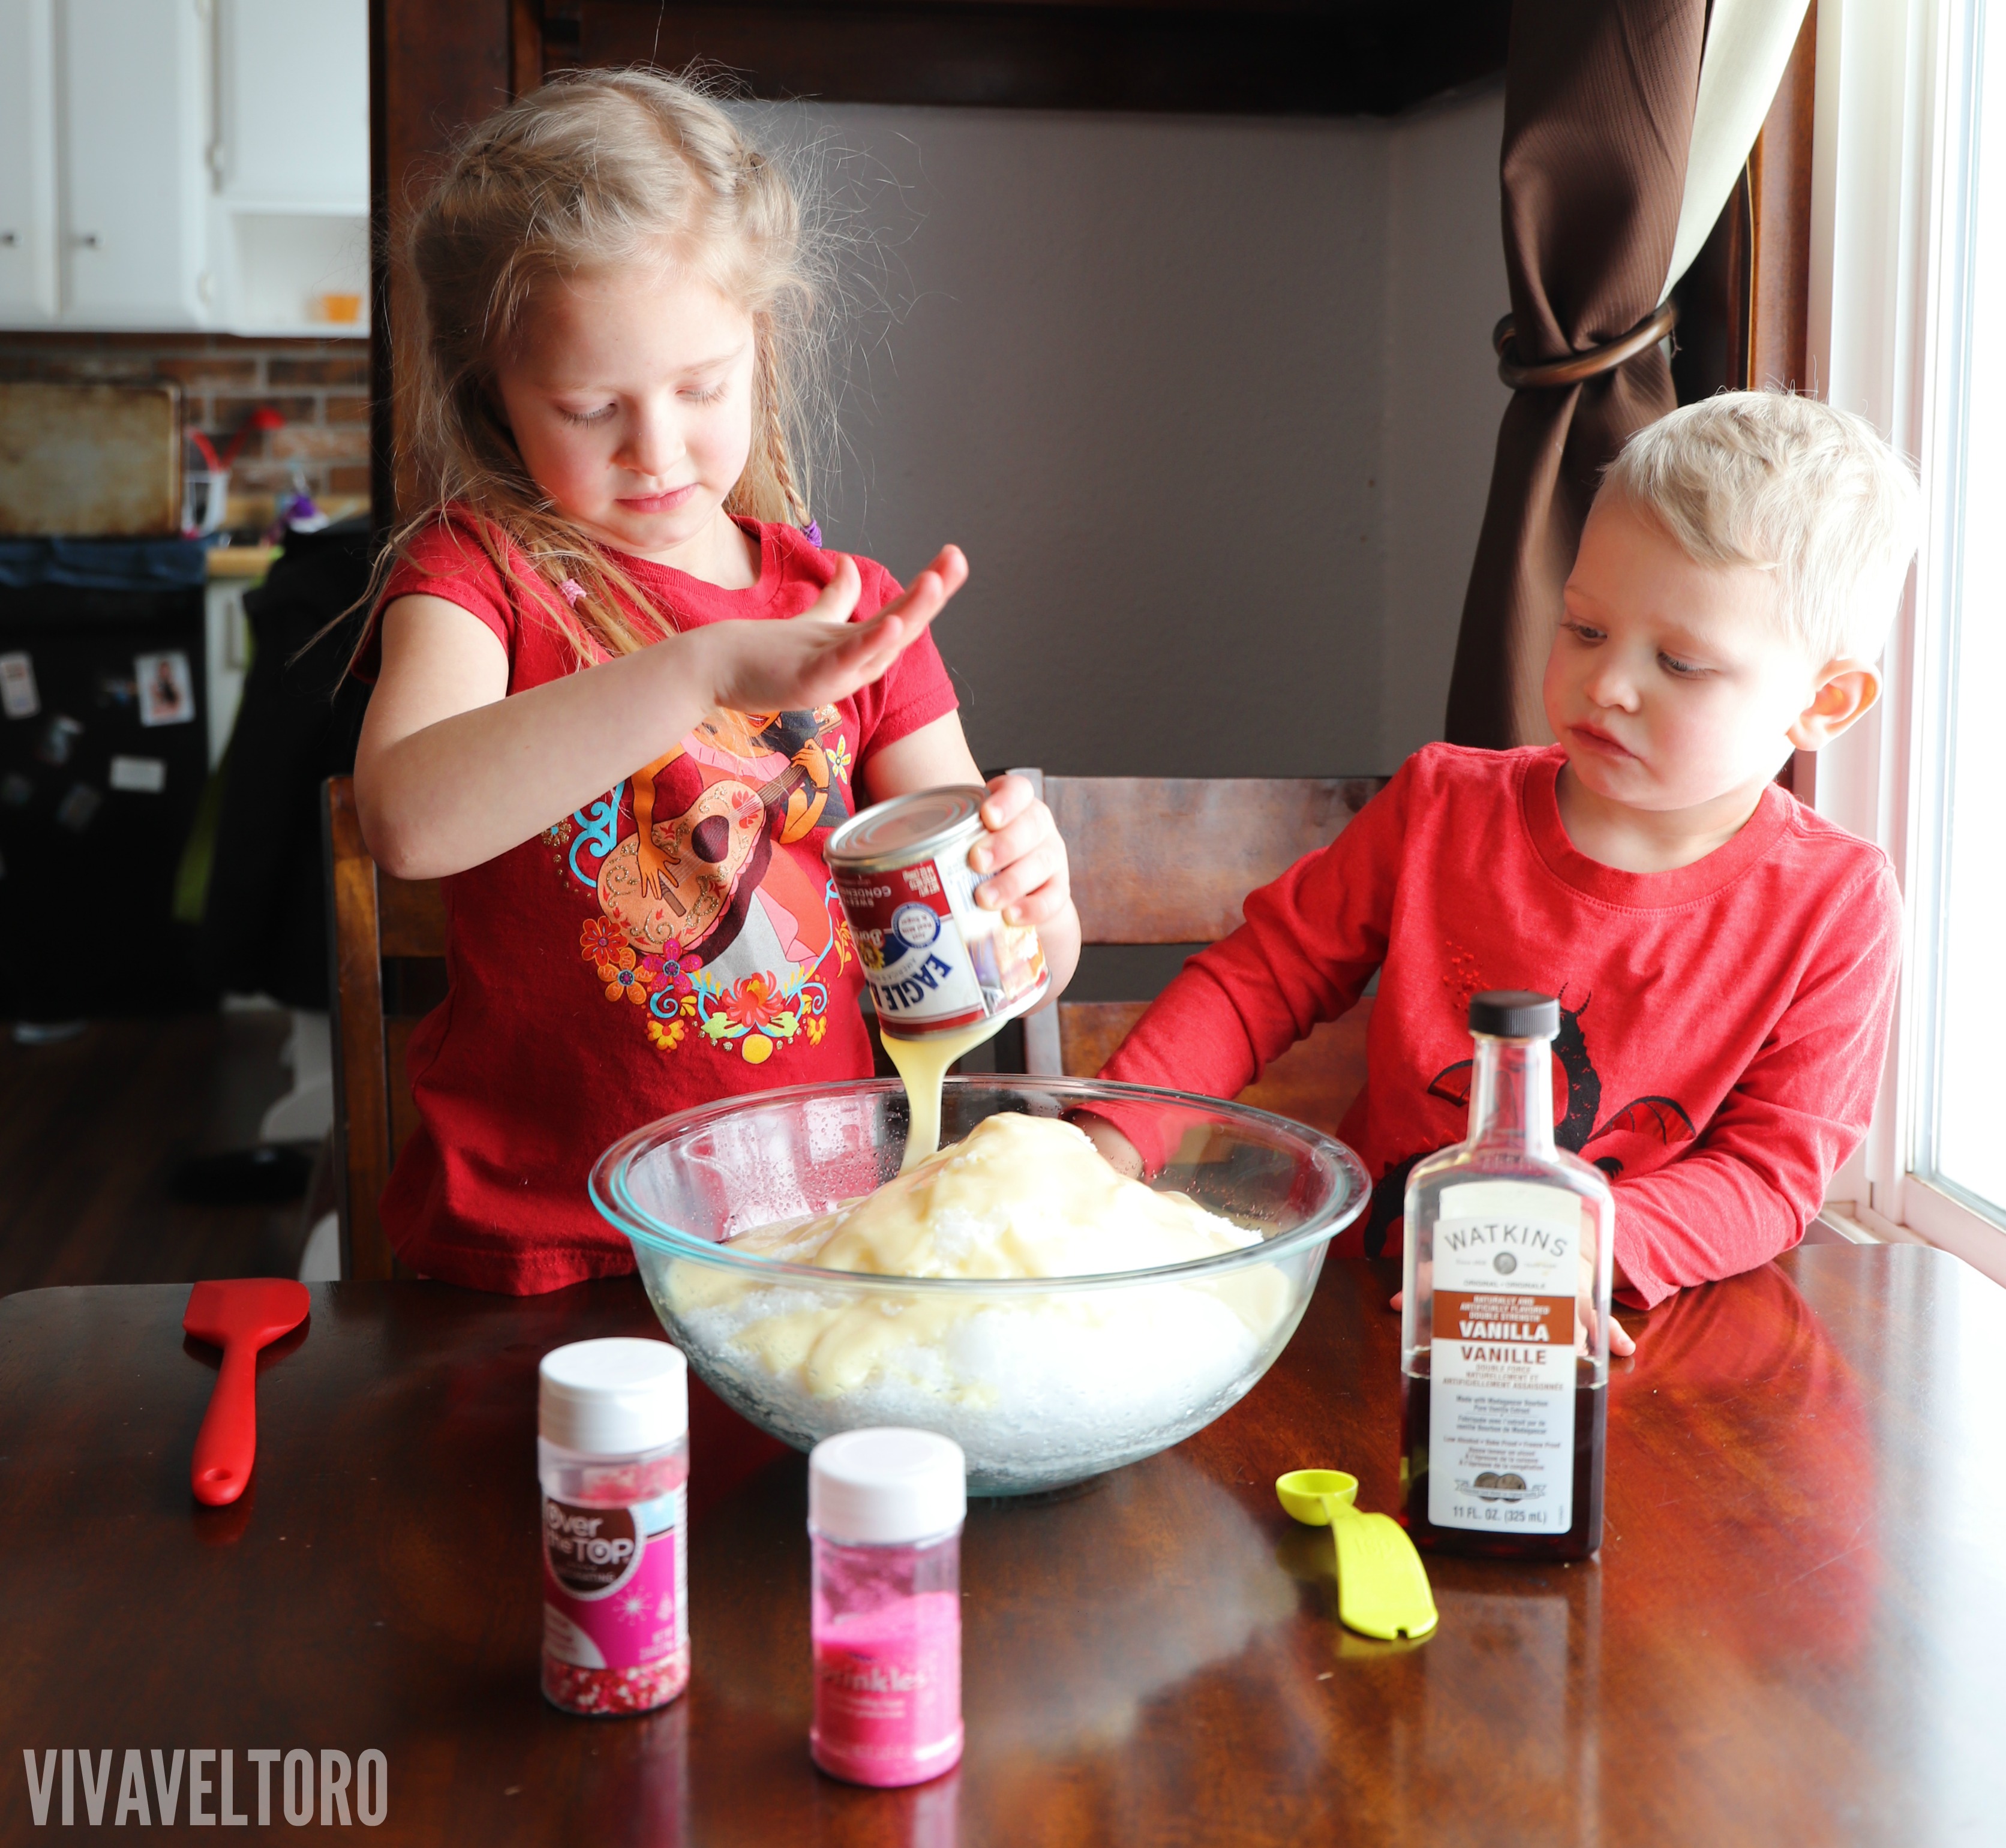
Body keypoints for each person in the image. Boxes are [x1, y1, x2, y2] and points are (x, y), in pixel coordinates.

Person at [350, 72, 1079, 1293]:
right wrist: (702, 667)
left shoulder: (848, 609)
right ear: (494, 391)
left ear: (761, 345)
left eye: (700, 388)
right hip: (539, 1256)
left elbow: (994, 952)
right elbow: (409, 822)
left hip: (814, 1248)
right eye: (591, 407)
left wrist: (1035, 902)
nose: (657, 449)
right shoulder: (479, 577)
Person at [1098, 392, 1917, 1327]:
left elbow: (1768, 1174)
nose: (1609, 684)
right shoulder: (1443, 805)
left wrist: (1577, 1246)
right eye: (1586, 629)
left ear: (1824, 702)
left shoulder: (1838, 906)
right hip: (1372, 1313)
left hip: (1617, 1332)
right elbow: (1261, 981)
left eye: (1680, 664)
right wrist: (1112, 1136)